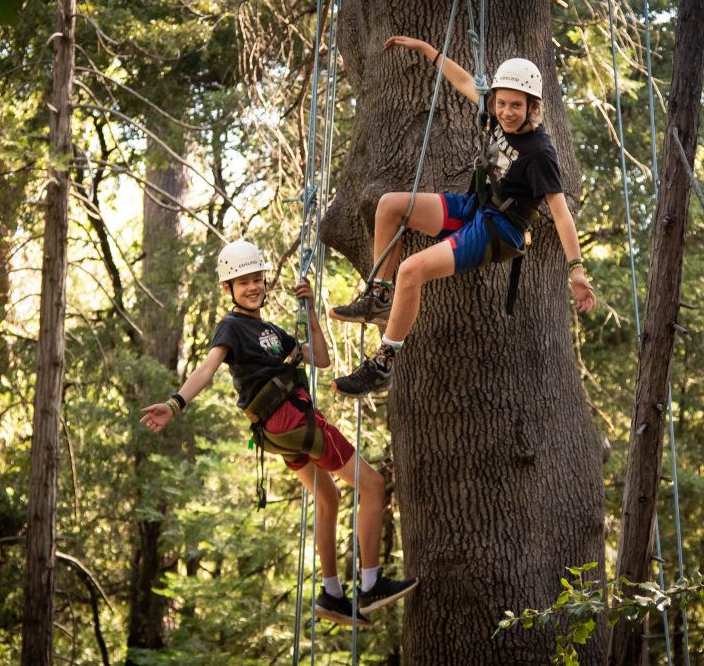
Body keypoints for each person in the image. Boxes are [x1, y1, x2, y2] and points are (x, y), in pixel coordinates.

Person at [139, 240, 418, 628]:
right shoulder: (231, 327)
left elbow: (320, 358)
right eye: (243, 282)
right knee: (371, 485)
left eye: (257, 279)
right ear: (228, 289)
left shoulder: (270, 330)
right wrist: (174, 404)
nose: (253, 287)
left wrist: (310, 312)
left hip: (280, 432)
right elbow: (206, 369)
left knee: (328, 495)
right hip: (290, 419)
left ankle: (332, 594)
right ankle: (370, 584)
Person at [329, 36, 597, 397]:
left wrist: (576, 269)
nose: (505, 112)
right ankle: (379, 297)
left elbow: (562, 215)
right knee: (390, 205)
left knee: (412, 270)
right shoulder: (497, 110)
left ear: (533, 106)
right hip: (476, 206)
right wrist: (427, 50)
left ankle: (383, 364)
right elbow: (465, 81)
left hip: (499, 229)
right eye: (501, 104)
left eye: (515, 106)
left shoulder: (540, 152)